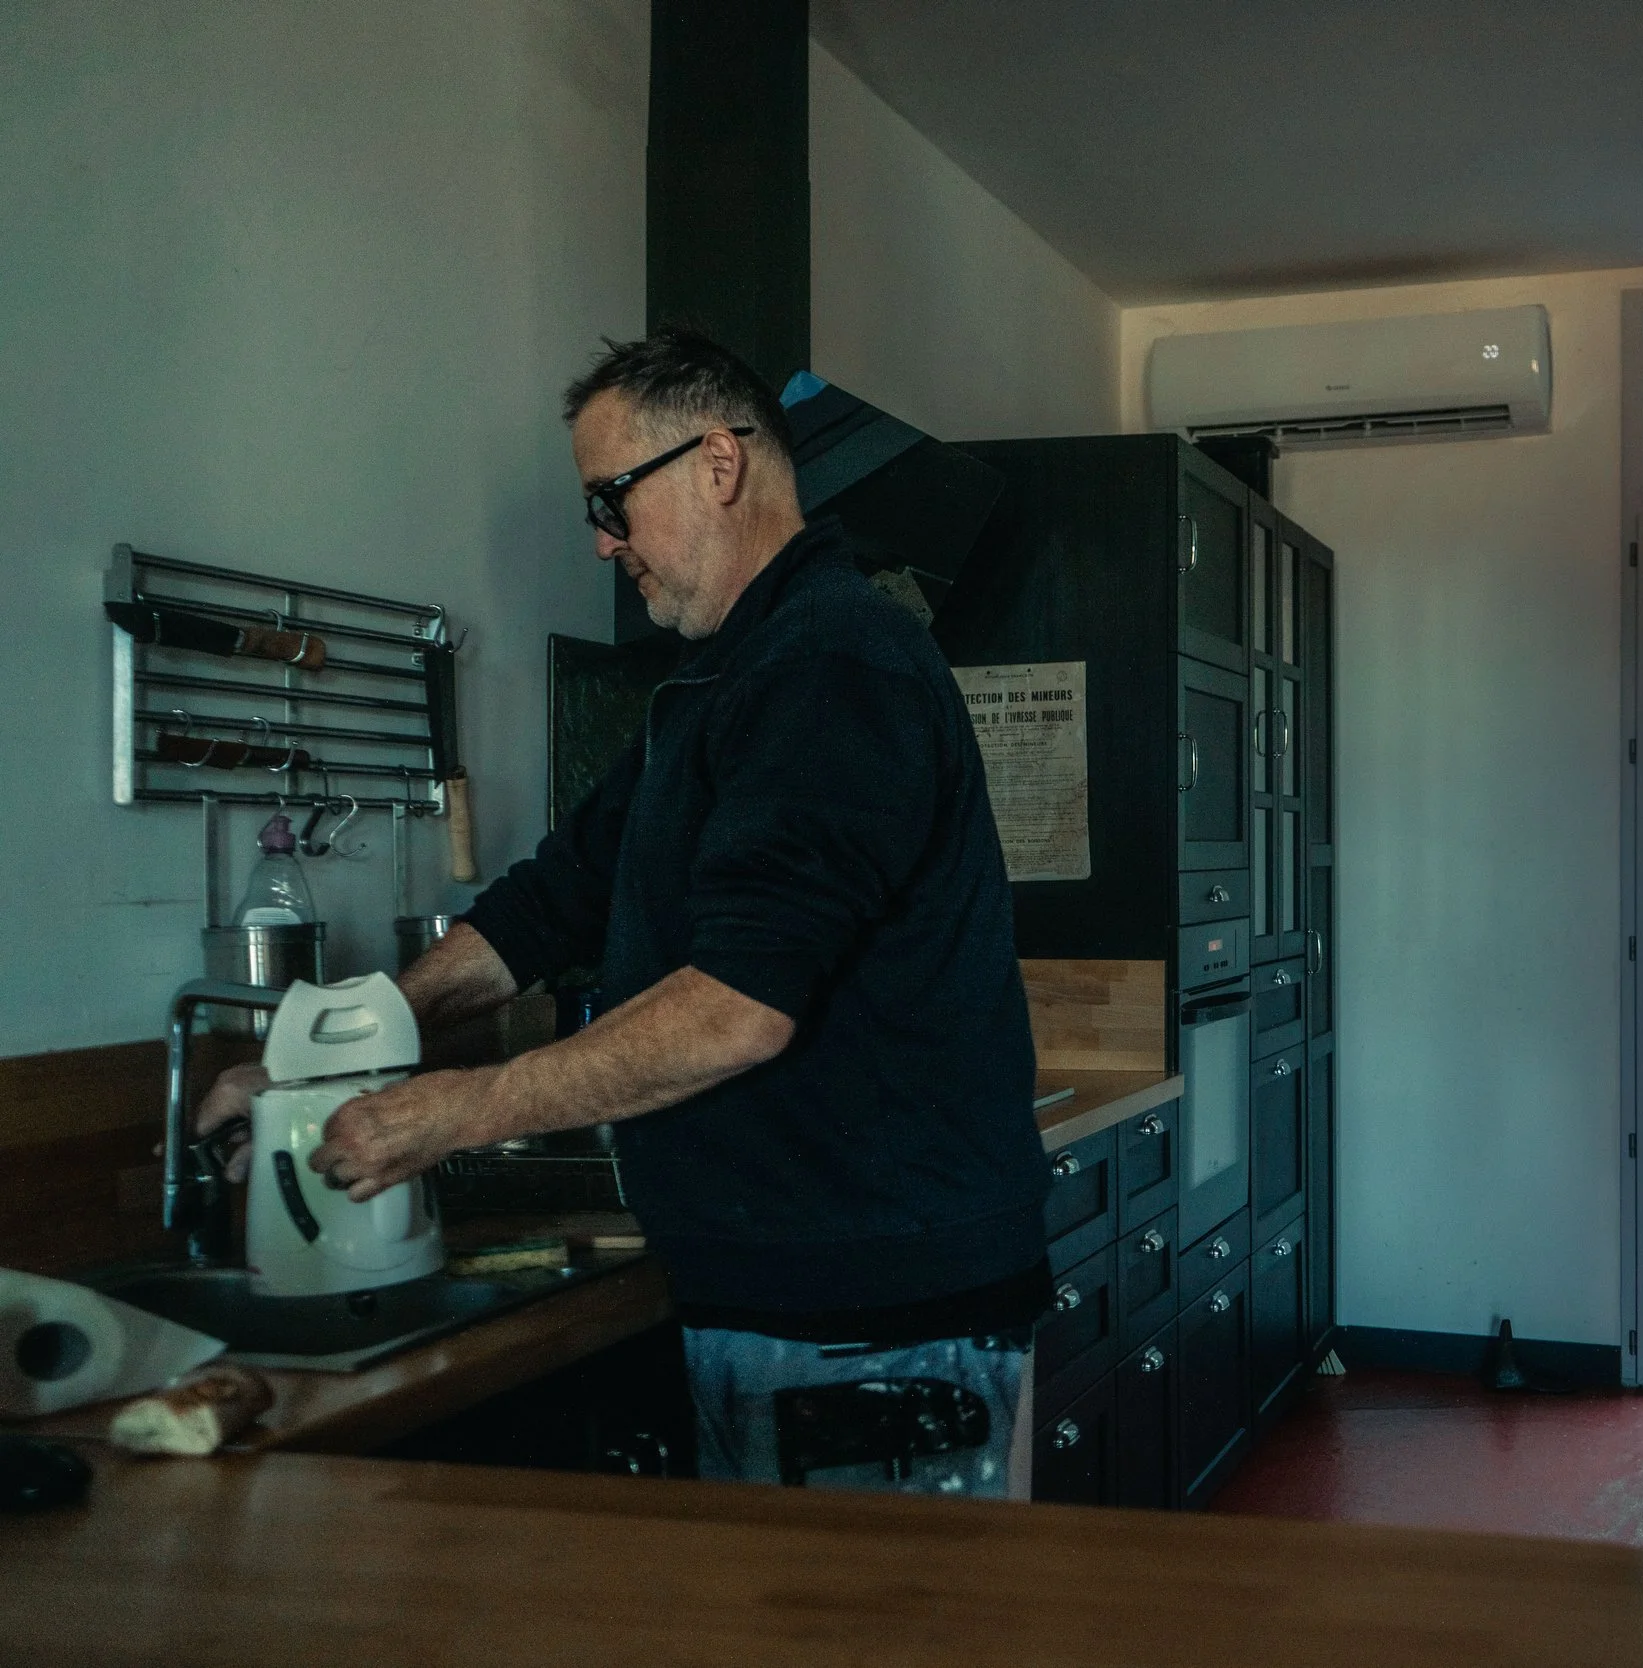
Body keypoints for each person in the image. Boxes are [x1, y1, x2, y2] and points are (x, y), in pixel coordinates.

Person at [196, 327, 1049, 1496]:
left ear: (717, 464)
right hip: (789, 1293)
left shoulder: (832, 664)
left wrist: (447, 1115)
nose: (605, 543)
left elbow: (735, 1012)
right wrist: (315, 1054)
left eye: (611, 500)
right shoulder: (716, 685)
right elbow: (551, 905)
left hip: (872, 1313)